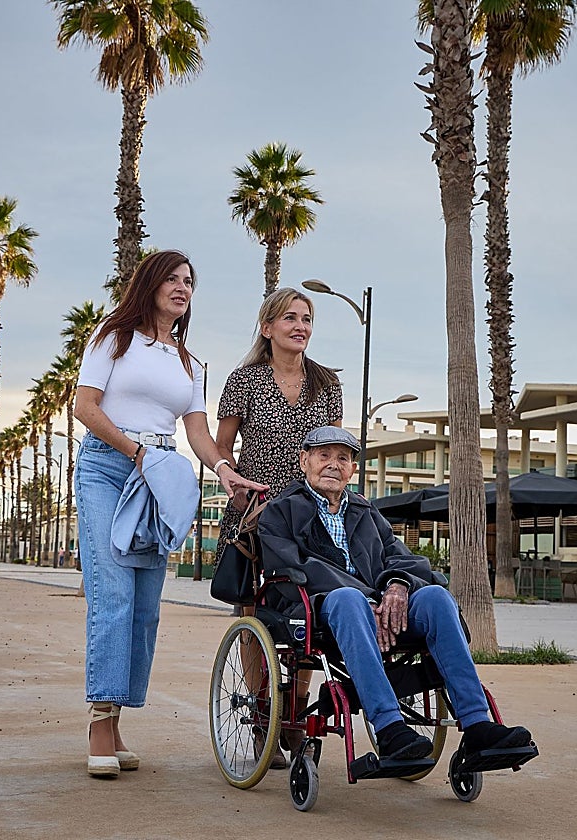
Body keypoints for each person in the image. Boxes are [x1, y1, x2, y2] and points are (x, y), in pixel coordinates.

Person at [73, 249, 265, 779]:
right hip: (108, 467)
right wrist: (135, 453)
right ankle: (100, 723)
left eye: (189, 281)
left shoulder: (188, 362)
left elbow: (197, 432)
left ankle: (116, 718)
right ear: (151, 284)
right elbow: (85, 407)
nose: (183, 288)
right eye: (173, 279)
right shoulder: (113, 337)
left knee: (144, 608)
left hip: (159, 476)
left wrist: (225, 471)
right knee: (113, 596)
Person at [258, 426, 534, 765]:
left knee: (436, 598)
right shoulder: (280, 511)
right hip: (319, 608)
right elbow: (295, 567)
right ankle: (389, 728)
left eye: (342, 458)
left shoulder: (365, 511)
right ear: (304, 461)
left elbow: (400, 556)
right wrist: (368, 599)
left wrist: (397, 585)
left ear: (352, 469)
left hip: (378, 607)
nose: (333, 464)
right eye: (324, 455)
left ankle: (477, 724)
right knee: (349, 600)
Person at [215, 287, 343, 768]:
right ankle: (261, 714)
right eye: (289, 318)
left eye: (306, 319)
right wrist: (234, 481)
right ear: (267, 327)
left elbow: (332, 451)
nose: (300, 326)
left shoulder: (326, 383)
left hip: (309, 514)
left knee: (307, 611)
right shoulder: (244, 380)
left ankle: (295, 715)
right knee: (252, 612)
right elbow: (222, 448)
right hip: (254, 512)